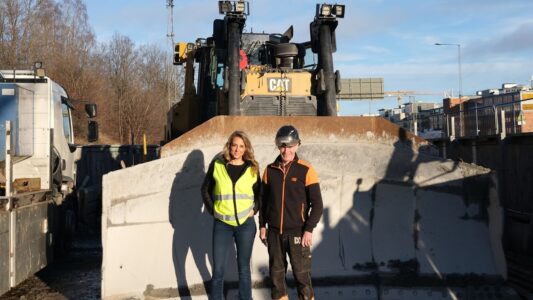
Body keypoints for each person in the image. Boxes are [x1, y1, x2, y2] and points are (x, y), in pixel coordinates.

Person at [259, 125, 323, 300]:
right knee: (276, 277)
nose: (286, 150)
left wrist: (309, 229)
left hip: (298, 233)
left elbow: (317, 204)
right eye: (282, 145)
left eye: (290, 145)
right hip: (274, 234)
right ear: (278, 146)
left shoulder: (306, 169)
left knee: (302, 277)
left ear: (297, 145)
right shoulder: (269, 170)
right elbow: (263, 201)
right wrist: (262, 226)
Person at [201, 131, 261, 300]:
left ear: (246, 148)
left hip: (245, 225)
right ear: (229, 146)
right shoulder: (218, 165)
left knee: (244, 269)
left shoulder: (252, 168)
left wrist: (255, 209)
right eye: (234, 145)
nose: (237, 149)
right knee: (218, 271)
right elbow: (205, 189)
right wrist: (213, 210)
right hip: (222, 225)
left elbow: (260, 194)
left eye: (241, 146)